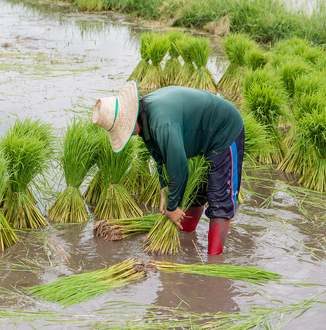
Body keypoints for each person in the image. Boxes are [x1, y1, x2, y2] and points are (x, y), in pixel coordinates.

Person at [92, 80, 244, 255]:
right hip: (201, 134)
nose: (128, 135)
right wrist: (164, 189)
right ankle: (187, 237)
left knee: (219, 200)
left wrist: (171, 209)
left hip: (224, 130)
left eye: (124, 130)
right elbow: (161, 159)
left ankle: (213, 263)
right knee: (194, 194)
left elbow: (179, 169)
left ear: (130, 118)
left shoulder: (162, 123)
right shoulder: (145, 116)